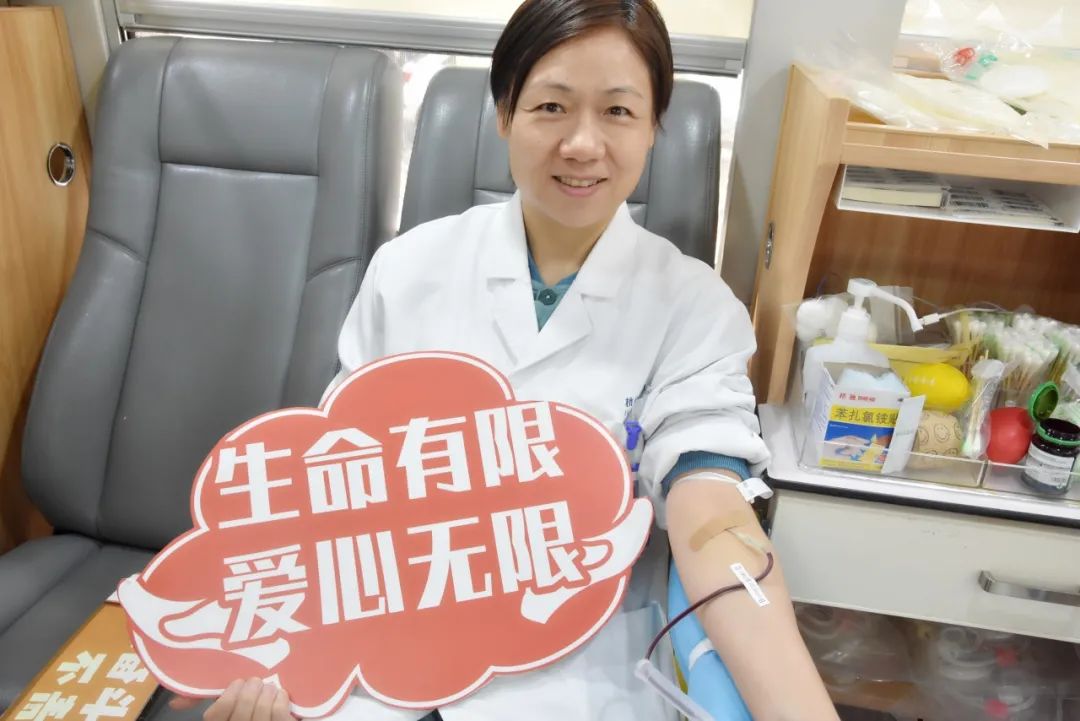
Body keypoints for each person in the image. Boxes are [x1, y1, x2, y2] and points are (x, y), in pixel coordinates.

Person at [172, 1, 840, 720]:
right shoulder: (409, 269)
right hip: (388, 645)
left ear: (653, 128)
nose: (582, 144)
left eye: (618, 112)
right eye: (552, 106)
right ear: (504, 114)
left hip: (574, 672)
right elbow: (335, 494)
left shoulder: (695, 308)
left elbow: (713, 517)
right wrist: (267, 662)